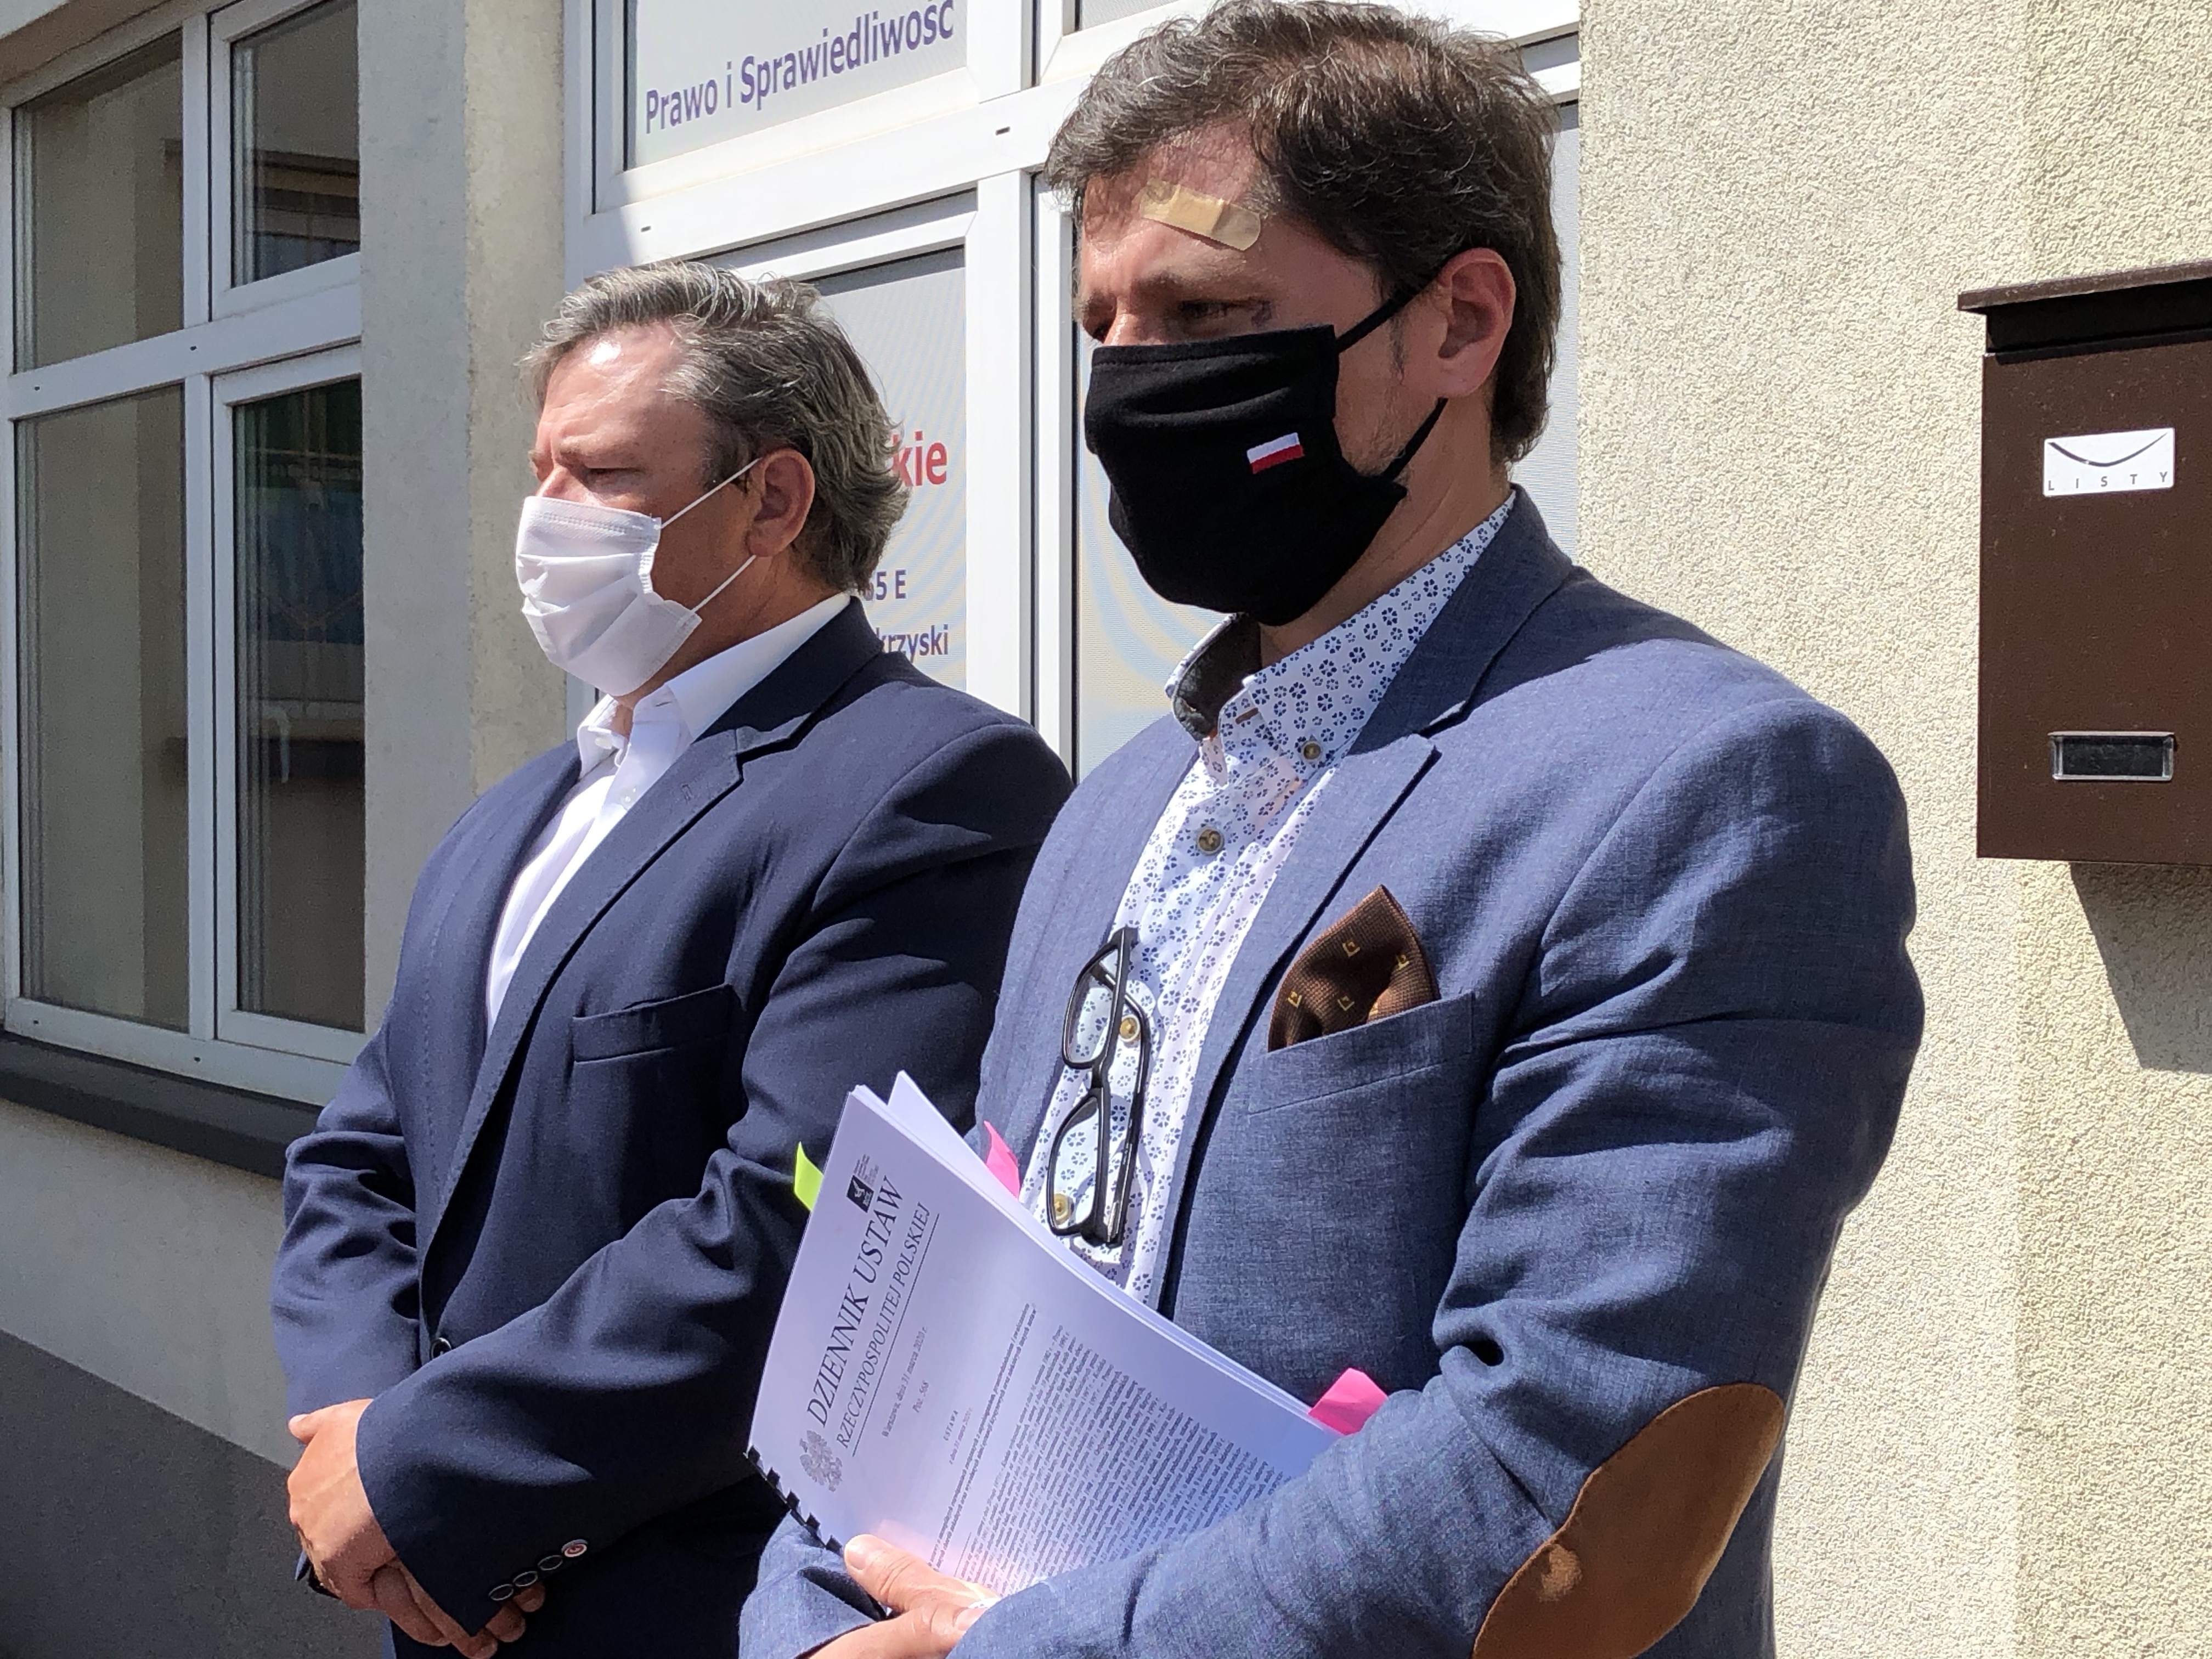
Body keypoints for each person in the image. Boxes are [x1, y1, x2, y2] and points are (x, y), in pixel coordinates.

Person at [740, 4, 1922, 1657]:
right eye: (1104, 327)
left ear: (1459, 323)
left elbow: (1567, 1472)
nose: (1133, 384)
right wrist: (808, 1622)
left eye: (1207, 315)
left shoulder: (1706, 786)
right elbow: (945, 1330)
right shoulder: (1117, 809)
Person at [272, 262, 1070, 1658]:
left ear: (772, 501)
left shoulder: (932, 787)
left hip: (685, 1610)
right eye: (541, 473)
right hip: (439, 1590)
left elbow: (806, 1229)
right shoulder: (517, 816)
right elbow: (362, 1153)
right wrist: (358, 1437)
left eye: (600, 476)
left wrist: (419, 1474)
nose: (545, 519)